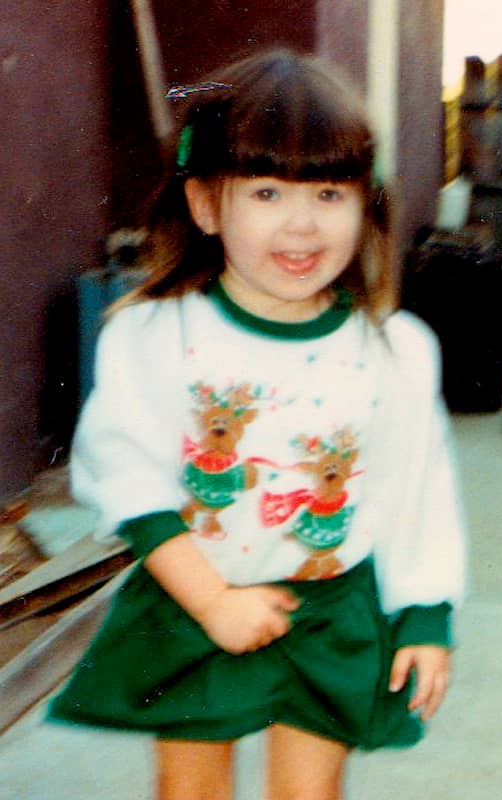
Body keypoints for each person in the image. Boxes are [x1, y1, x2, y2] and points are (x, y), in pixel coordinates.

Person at [47, 49, 467, 800]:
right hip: (196, 587)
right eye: (267, 192)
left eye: (330, 194)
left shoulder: (393, 350)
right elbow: (126, 473)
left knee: (311, 793)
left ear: (364, 205)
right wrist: (210, 600)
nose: (302, 225)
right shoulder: (157, 335)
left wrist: (425, 616)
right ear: (207, 205)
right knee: (191, 790)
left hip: (331, 602)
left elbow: (418, 492)